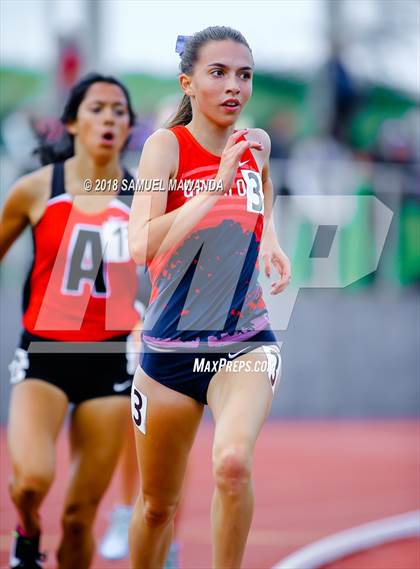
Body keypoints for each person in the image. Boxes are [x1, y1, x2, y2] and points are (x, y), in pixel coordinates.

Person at [128, 26, 291, 568]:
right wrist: (214, 189)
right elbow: (139, 244)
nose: (233, 87)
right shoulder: (164, 148)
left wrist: (269, 239)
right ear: (188, 83)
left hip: (245, 341)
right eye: (217, 73)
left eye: (243, 75)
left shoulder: (257, 143)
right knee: (156, 506)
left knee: (231, 465)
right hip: (168, 351)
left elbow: (263, 183)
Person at [0, 72, 139, 569]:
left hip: (110, 363)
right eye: (97, 108)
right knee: (31, 482)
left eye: (119, 111)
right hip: (43, 357)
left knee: (81, 517)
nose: (108, 118)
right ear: (72, 122)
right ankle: (28, 533)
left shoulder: (144, 198)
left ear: (128, 127)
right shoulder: (36, 190)